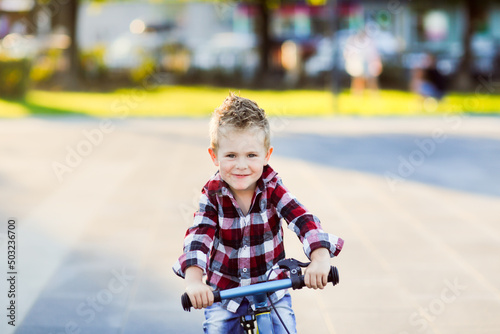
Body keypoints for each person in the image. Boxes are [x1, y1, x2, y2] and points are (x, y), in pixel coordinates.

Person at [173, 93, 344, 334]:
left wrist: (320, 257)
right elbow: (198, 236)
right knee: (216, 329)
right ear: (214, 156)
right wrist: (193, 281)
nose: (241, 165)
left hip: (272, 287)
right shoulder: (213, 194)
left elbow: (302, 218)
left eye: (251, 155)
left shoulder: (272, 187)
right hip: (226, 291)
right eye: (231, 155)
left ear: (267, 156)